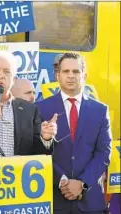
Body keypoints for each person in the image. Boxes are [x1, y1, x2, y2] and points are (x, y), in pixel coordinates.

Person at [36, 53, 112, 214]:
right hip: (54, 200)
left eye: (76, 72)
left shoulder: (100, 110)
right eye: (66, 71)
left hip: (90, 203)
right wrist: (62, 181)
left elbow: (104, 152)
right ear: (58, 76)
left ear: (84, 76)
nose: (71, 76)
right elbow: (35, 151)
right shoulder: (40, 108)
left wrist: (82, 183)